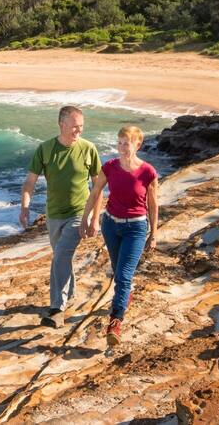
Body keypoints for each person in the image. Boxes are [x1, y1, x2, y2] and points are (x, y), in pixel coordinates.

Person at [21, 105, 102, 328]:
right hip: (53, 215)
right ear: (61, 125)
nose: (79, 130)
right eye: (74, 126)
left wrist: (94, 219)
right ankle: (70, 293)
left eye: (81, 126)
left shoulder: (89, 149)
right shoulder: (45, 149)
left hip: (79, 214)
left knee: (61, 256)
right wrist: (25, 207)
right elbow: (30, 182)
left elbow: (98, 188)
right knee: (62, 257)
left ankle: (57, 309)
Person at [80, 125, 158, 346]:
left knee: (123, 276)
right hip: (110, 226)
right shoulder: (110, 167)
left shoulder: (148, 172)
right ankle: (124, 296)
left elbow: (153, 204)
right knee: (119, 271)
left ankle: (115, 321)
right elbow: (95, 192)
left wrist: (154, 233)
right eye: (120, 143)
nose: (122, 147)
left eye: (127, 143)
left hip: (136, 229)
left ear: (137, 145)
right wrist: (87, 218)